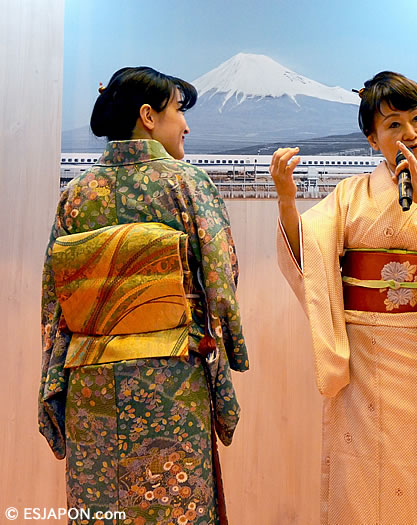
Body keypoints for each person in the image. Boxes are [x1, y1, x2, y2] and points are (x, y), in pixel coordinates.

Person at [271, 71, 417, 524]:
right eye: (393, 124)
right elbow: (310, 254)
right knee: (358, 480)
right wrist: (285, 201)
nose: (410, 132)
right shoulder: (350, 193)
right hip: (362, 358)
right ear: (373, 140)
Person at [40, 66, 248, 525]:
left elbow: (56, 301)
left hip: (90, 382)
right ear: (148, 116)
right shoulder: (187, 183)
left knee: (101, 505)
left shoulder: (76, 195)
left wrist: (53, 380)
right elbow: (222, 279)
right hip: (169, 379)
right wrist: (229, 349)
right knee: (172, 502)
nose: (186, 126)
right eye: (179, 111)